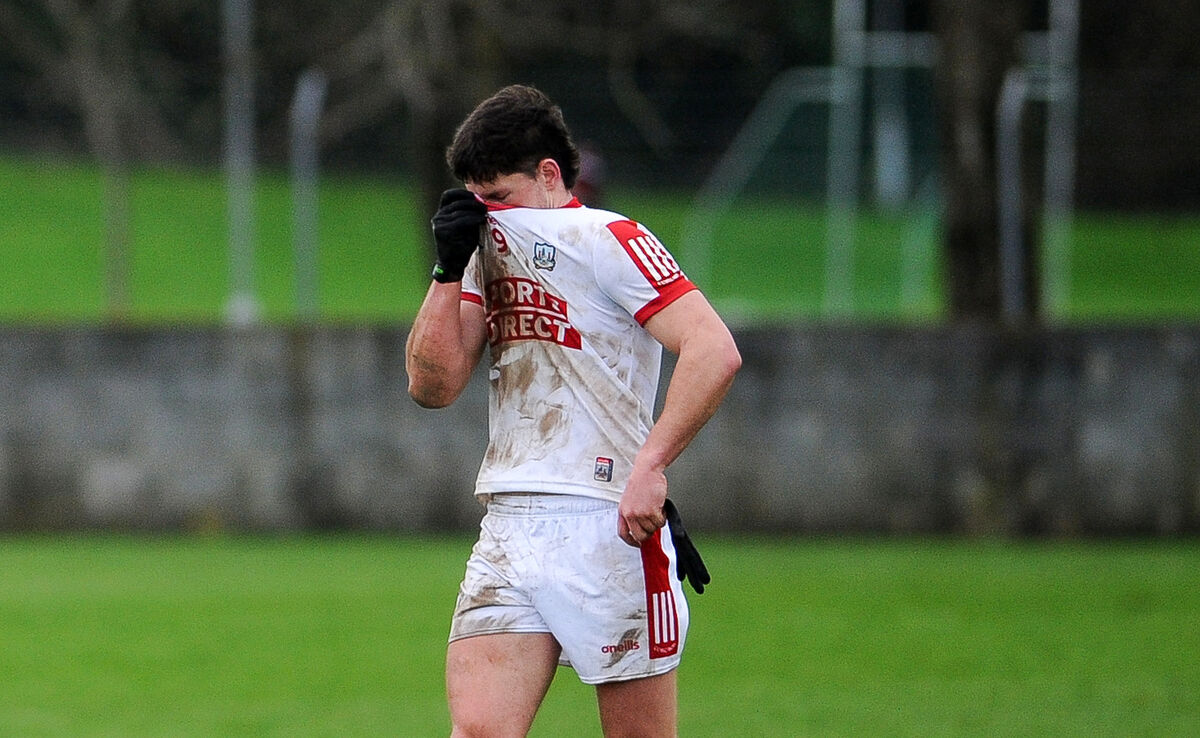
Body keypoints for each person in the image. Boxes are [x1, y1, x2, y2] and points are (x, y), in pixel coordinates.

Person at [405, 84, 741, 738]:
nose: (490, 215)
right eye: (478, 202)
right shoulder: (482, 252)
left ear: (550, 175)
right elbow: (433, 386)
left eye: (498, 197)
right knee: (477, 732)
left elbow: (712, 349)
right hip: (509, 523)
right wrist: (447, 270)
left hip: (605, 524)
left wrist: (651, 466)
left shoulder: (609, 239)